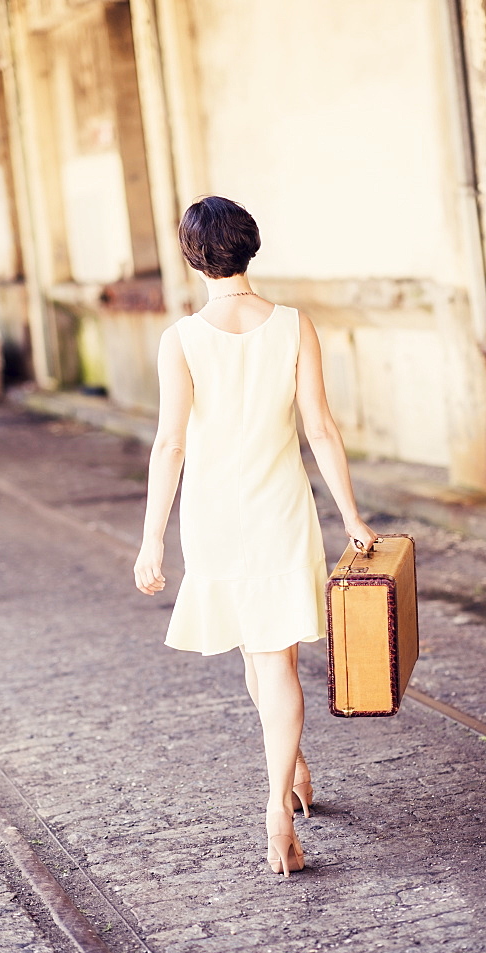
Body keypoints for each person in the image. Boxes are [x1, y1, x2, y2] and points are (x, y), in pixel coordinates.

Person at [134, 196, 376, 877]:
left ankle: (282, 783)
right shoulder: (295, 326)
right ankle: (282, 787)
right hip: (280, 511)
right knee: (272, 658)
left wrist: (152, 539)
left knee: (257, 651)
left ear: (191, 257)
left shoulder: (180, 339)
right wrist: (352, 517)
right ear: (250, 246)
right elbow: (321, 430)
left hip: (213, 517)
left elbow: (169, 446)